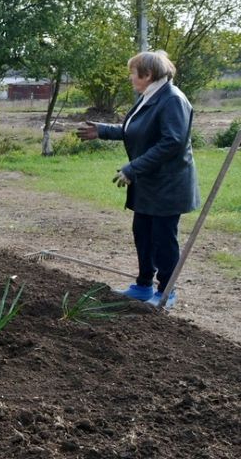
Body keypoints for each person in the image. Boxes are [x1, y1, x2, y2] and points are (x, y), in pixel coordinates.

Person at [76, 50, 200, 308]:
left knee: (163, 239)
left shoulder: (172, 100)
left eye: (134, 73)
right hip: (149, 183)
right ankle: (143, 286)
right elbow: (135, 130)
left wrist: (133, 168)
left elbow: (172, 142)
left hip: (167, 185)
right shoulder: (150, 97)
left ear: (148, 74)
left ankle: (166, 293)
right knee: (142, 233)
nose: (131, 77)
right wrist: (102, 131)